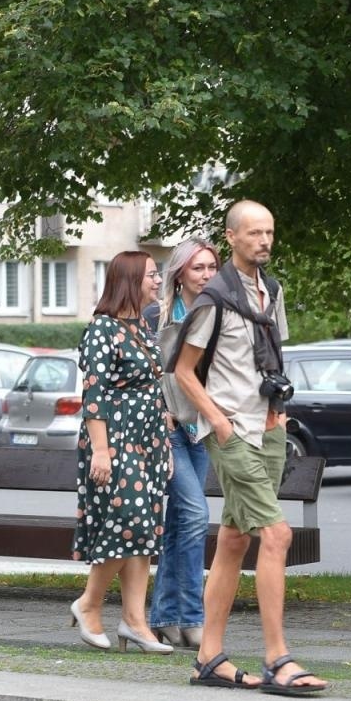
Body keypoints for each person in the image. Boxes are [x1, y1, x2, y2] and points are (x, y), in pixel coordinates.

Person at [172, 200, 327, 695]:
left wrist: (278, 413)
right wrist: (218, 422)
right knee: (277, 535)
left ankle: (208, 657)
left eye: (269, 233)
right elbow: (183, 371)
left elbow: (272, 355)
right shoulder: (213, 298)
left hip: (270, 428)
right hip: (233, 432)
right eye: (255, 233)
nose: (264, 241)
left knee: (235, 539)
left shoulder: (272, 291)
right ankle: (279, 659)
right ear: (232, 237)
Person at [69, 250, 172, 654]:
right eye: (152, 275)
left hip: (148, 440)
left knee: (145, 530)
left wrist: (164, 445)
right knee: (129, 519)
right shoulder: (103, 329)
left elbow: (153, 389)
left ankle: (135, 621)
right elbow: (93, 394)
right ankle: (88, 603)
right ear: (130, 281)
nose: (158, 280)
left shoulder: (141, 327)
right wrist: (100, 450)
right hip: (114, 438)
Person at [143, 237, 221, 649]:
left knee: (178, 523)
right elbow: (144, 372)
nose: (206, 275)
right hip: (167, 427)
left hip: (199, 428)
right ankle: (192, 617)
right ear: (180, 273)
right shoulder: (157, 315)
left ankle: (164, 616)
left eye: (211, 267)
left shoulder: (217, 313)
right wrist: (160, 410)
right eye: (198, 268)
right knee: (194, 514)